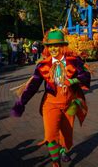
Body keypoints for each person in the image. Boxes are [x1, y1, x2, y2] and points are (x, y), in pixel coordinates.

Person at [11, 29, 90, 166]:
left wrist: (72, 81)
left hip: (70, 103)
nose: (53, 48)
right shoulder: (43, 65)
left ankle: (63, 150)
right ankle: (55, 163)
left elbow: (86, 76)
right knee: (51, 134)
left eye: (57, 45)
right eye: (50, 45)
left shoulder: (74, 61)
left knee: (66, 134)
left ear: (63, 46)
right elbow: (34, 85)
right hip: (51, 103)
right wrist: (21, 102)